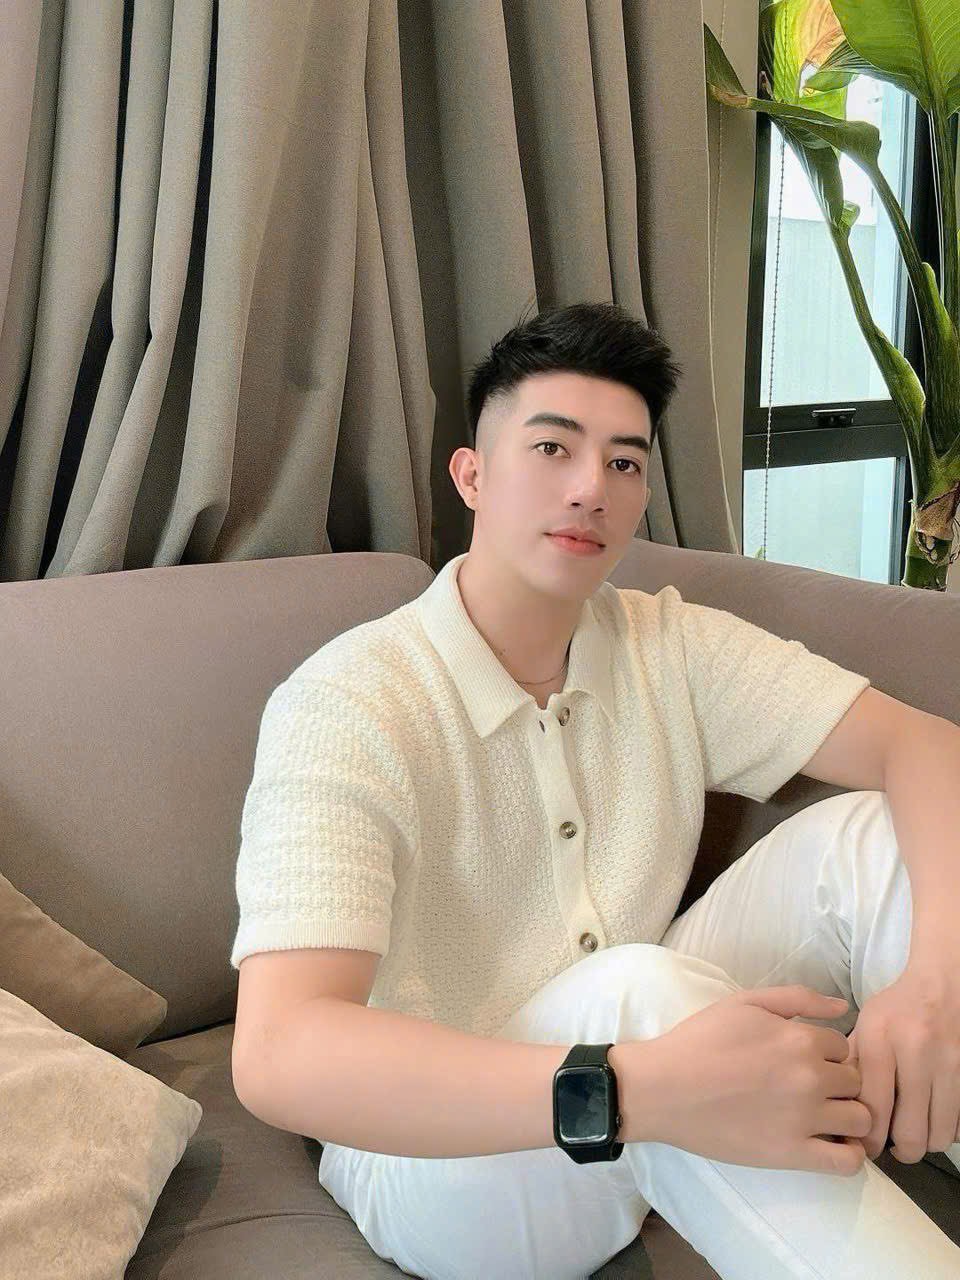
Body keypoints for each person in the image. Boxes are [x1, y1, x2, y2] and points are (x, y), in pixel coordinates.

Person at [229, 301, 960, 1279]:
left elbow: (927, 747)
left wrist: (931, 983)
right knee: (636, 991)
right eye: (552, 448)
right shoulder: (349, 701)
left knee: (866, 837)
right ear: (472, 476)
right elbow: (279, 1051)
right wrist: (637, 1087)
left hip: (644, 1040)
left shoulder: (664, 641)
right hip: (436, 1161)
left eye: (623, 462)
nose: (590, 489)